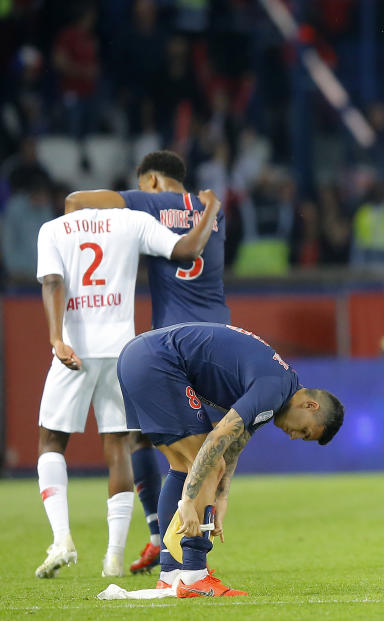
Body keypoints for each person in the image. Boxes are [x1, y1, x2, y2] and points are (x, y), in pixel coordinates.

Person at [33, 186, 220, 579]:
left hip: (75, 348)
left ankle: (62, 537)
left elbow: (52, 282)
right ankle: (113, 558)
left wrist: (56, 339)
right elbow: (188, 250)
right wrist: (212, 210)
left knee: (51, 441)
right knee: (117, 446)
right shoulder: (131, 221)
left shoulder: (54, 228)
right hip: (121, 350)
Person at [116, 322, 344, 597]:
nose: (295, 437)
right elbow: (217, 440)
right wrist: (188, 501)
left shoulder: (279, 389)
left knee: (182, 466)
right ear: (310, 406)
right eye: (305, 431)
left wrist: (222, 497)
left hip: (139, 356)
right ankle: (194, 576)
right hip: (157, 361)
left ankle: (171, 573)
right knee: (208, 462)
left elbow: (233, 444)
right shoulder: (274, 388)